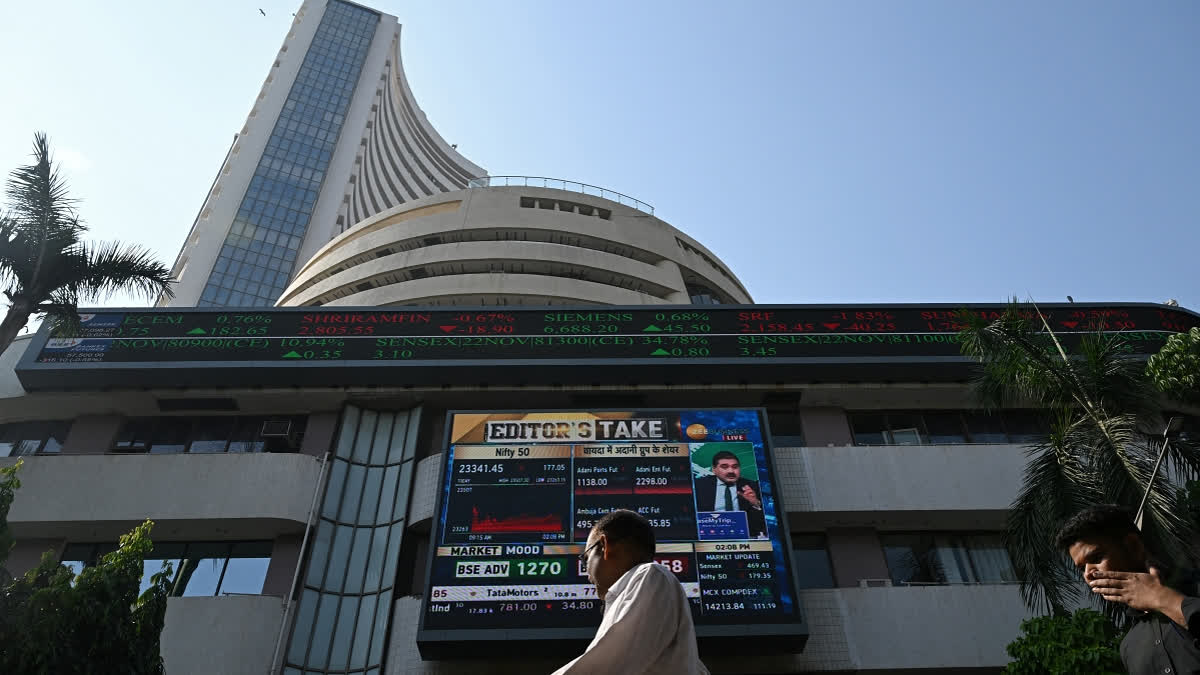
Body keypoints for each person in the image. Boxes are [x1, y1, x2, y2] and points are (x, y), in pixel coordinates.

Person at [551, 509, 708, 675]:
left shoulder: (652, 575)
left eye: (585, 558)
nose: (586, 571)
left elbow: (607, 666)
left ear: (604, 546)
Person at [1055, 504, 1200, 675]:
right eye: (1081, 568)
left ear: (1133, 546)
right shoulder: (1129, 646)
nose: (1088, 574)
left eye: (1096, 557)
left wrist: (1161, 598)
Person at [692, 450, 767, 538]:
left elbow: (763, 523)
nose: (731, 471)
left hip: (743, 536)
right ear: (714, 469)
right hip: (707, 534)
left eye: (735, 467)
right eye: (724, 467)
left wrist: (755, 504)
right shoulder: (698, 485)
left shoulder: (753, 487)